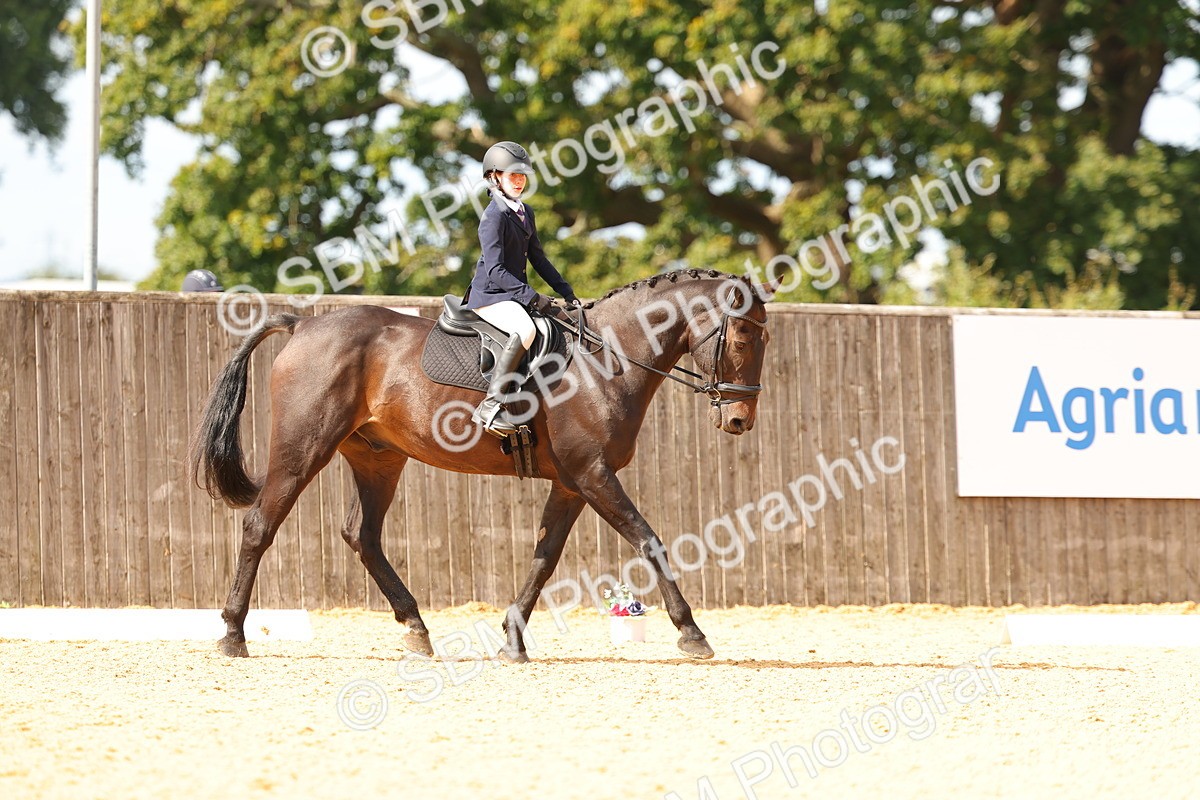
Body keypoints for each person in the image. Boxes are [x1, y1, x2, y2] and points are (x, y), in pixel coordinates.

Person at [466, 141, 580, 436]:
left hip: (511, 293)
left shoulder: (525, 212)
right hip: (490, 295)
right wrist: (532, 297)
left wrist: (566, 291)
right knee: (526, 330)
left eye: (522, 175)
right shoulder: (493, 217)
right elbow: (495, 270)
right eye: (512, 175)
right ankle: (490, 406)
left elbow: (538, 258)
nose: (519, 181)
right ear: (495, 178)